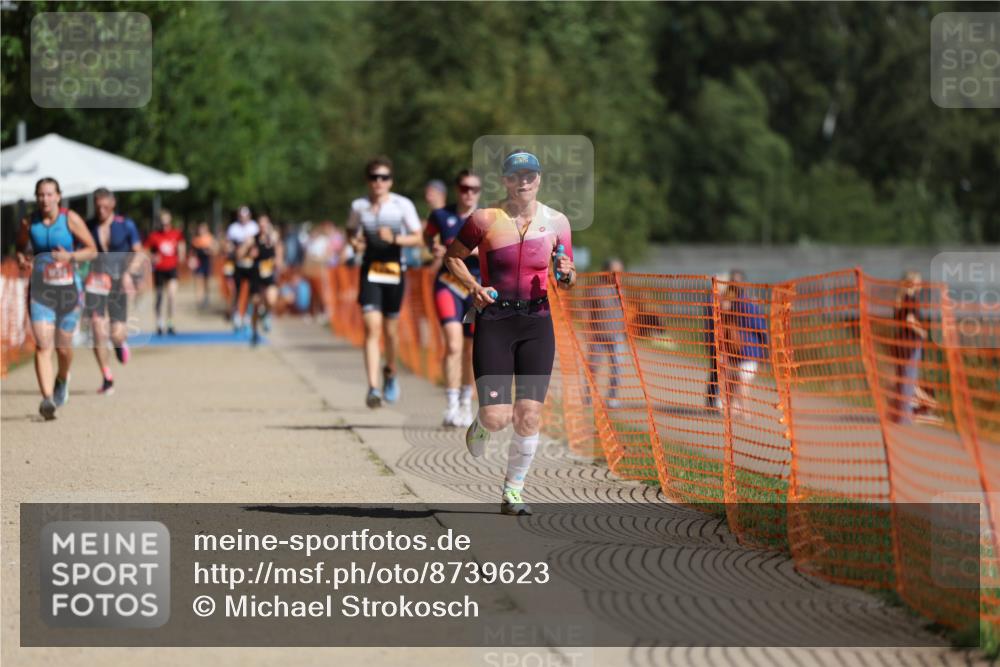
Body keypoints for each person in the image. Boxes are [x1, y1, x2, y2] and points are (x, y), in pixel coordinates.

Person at [444, 150, 576, 516]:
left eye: (530, 175)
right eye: (516, 175)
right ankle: (482, 422)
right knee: (498, 416)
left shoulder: (557, 222)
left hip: (536, 322)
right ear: (505, 180)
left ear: (539, 179)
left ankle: (512, 491)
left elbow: (567, 277)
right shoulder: (485, 219)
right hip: (495, 321)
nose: (524, 181)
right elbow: (452, 256)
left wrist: (565, 273)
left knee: (530, 414)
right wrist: (473, 286)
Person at [14, 178, 98, 419]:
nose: (45, 199)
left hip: (69, 290)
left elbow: (92, 249)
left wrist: (70, 257)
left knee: (63, 348)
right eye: (41, 195)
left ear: (58, 196)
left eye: (50, 194)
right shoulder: (29, 222)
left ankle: (62, 379)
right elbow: (20, 247)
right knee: (42, 345)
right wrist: (22, 257)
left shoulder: (69, 218)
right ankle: (47, 399)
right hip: (41, 291)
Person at [346, 156, 423, 408]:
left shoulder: (402, 205)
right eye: (374, 177)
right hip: (370, 271)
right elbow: (350, 231)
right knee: (371, 328)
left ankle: (390, 372)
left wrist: (394, 239)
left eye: (384, 177)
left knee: (390, 332)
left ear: (391, 181)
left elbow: (418, 238)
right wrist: (355, 242)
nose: (379, 182)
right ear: (368, 181)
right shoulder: (359, 206)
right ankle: (372, 387)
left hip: (394, 271)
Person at [424, 170, 482, 427]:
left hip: (476, 290)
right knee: (454, 345)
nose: (469, 193)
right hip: (447, 285)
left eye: (474, 189)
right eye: (464, 188)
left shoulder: (486, 219)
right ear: (457, 189)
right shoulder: (441, 215)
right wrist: (432, 248)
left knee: (470, 349)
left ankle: (465, 403)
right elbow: (427, 235)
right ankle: (450, 405)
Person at [84, 188, 144, 395]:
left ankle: (119, 343)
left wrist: (129, 273)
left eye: (105, 206)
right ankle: (106, 376)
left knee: (116, 332)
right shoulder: (88, 225)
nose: (101, 210)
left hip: (119, 282)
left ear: (113, 204)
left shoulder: (125, 225)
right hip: (96, 283)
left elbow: (138, 252)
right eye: (98, 206)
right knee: (96, 328)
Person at [890, 271, 939, 424]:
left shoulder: (900, 299)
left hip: (901, 342)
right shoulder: (910, 299)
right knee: (908, 379)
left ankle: (906, 411)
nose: (921, 285)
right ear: (911, 283)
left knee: (906, 379)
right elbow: (910, 320)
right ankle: (906, 415)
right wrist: (922, 332)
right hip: (910, 343)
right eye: (918, 282)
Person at [718, 277, 767, 421]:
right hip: (743, 351)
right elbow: (761, 328)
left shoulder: (736, 305)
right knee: (737, 382)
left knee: (739, 382)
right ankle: (735, 409)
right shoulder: (746, 305)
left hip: (741, 351)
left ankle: (743, 411)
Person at [585, 258, 628, 409]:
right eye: (613, 270)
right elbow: (585, 312)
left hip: (617, 336)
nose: (616, 274)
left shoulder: (620, 289)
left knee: (617, 368)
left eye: (619, 270)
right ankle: (588, 396)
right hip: (598, 335)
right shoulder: (595, 289)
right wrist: (587, 331)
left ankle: (612, 398)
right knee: (593, 368)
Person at [240, 214, 284, 346]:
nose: (263, 227)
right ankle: (254, 332)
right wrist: (246, 247)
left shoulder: (273, 240)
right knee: (255, 304)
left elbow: (279, 259)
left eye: (265, 224)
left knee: (271, 299)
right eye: (261, 224)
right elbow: (240, 255)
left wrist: (277, 260)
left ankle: (265, 314)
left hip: (268, 274)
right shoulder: (253, 240)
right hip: (256, 275)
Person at [145, 208, 186, 335]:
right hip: (159, 270)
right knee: (159, 296)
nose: (165, 225)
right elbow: (144, 250)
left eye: (167, 222)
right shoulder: (154, 236)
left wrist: (181, 257)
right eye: (162, 223)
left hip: (172, 268)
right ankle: (159, 322)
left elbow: (181, 247)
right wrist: (152, 257)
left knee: (171, 296)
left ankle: (170, 322)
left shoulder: (176, 234)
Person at [226, 205, 259, 332]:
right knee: (237, 291)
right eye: (241, 216)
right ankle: (236, 315)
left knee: (252, 293)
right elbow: (229, 246)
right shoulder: (233, 228)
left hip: (251, 265)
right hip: (237, 265)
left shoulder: (254, 227)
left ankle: (247, 315)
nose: (243, 218)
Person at [188, 222, 217, 310]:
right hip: (199, 262)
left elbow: (215, 250)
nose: (201, 230)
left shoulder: (210, 238)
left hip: (207, 262)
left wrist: (209, 250)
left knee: (206, 281)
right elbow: (192, 252)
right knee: (198, 281)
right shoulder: (195, 240)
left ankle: (206, 297)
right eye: (200, 229)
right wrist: (191, 260)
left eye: (203, 229)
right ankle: (199, 300)